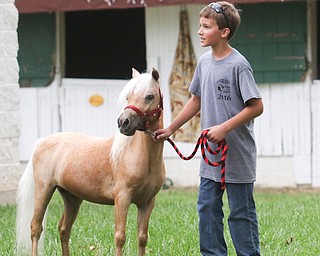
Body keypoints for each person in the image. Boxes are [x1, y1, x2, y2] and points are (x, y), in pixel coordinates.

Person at [155, 2, 263, 255]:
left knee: (240, 213)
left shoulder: (239, 65)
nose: (200, 31)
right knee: (207, 208)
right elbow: (196, 99)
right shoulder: (204, 62)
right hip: (211, 156)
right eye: (199, 26)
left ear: (224, 32)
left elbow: (256, 106)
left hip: (237, 155)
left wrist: (224, 128)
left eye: (206, 27)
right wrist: (171, 128)